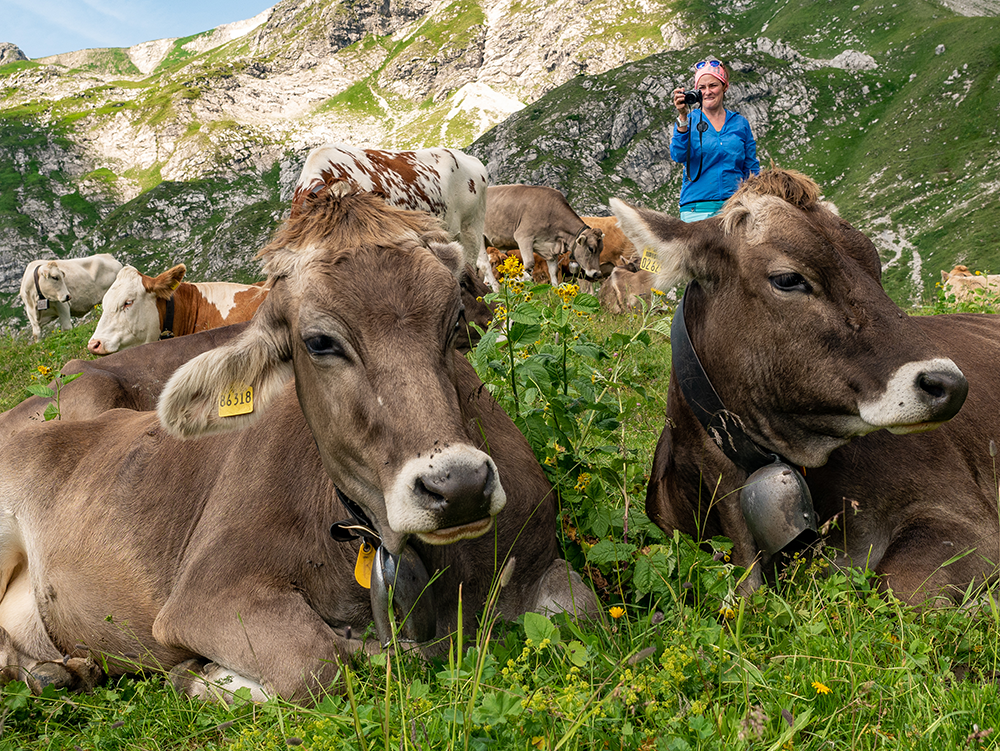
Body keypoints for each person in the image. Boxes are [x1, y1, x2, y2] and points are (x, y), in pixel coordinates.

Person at [670, 59, 760, 222]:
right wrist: (682, 116)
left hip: (734, 209)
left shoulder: (740, 123)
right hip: (696, 209)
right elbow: (678, 155)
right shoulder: (689, 120)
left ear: (725, 87)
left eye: (713, 85)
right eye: (701, 88)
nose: (707, 92)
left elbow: (751, 167)